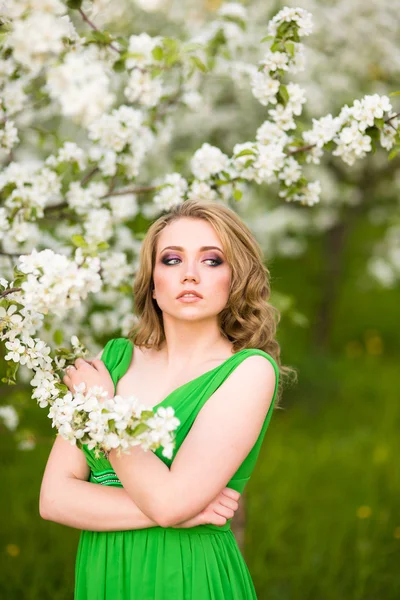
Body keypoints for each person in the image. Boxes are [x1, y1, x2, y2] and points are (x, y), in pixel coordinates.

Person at [40, 199, 291, 599]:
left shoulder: (248, 371)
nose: (189, 275)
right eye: (172, 260)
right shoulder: (114, 360)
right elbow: (54, 499)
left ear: (236, 278)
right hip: (105, 575)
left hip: (188, 575)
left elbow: (171, 503)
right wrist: (181, 510)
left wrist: (102, 412)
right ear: (153, 282)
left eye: (211, 261)